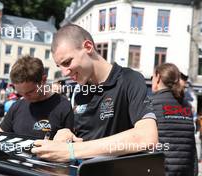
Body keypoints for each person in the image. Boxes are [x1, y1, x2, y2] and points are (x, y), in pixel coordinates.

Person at [31, 24, 158, 162]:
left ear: (88, 47)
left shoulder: (129, 79)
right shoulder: (80, 93)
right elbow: (86, 141)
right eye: (59, 66)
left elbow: (147, 137)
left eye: (67, 62)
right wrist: (68, 134)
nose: (64, 72)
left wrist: (72, 151)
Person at [0, 56, 74, 139]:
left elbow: (68, 144)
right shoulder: (17, 106)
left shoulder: (63, 107)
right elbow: (0, 135)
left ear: (43, 80)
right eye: (20, 93)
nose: (25, 97)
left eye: (30, 92)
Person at [151, 63, 197, 176]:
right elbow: (192, 148)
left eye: (152, 78)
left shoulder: (150, 104)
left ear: (158, 78)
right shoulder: (187, 106)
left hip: (160, 170)